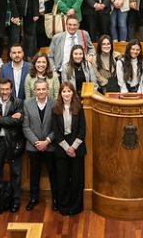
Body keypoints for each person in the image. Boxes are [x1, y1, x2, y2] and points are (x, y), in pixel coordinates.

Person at [0, 78, 24, 213]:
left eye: (7, 89)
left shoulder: (19, 102)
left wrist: (0, 119)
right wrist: (10, 119)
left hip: (14, 142)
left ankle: (15, 201)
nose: (4, 92)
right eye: (2, 89)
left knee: (15, 173)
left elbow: (18, 122)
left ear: (11, 89)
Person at [22, 78, 58, 211]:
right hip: (33, 146)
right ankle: (33, 198)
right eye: (38, 89)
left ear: (48, 90)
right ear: (34, 91)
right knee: (34, 173)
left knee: (53, 173)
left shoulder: (55, 104)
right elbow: (25, 127)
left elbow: (57, 127)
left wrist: (47, 141)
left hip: (50, 145)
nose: (41, 91)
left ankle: (56, 199)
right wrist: (37, 142)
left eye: (44, 89)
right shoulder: (27, 103)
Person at [51, 82, 86, 216]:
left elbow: (82, 130)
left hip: (77, 147)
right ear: (60, 94)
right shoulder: (55, 109)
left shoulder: (79, 107)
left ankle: (76, 206)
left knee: (77, 179)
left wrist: (73, 147)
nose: (66, 94)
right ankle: (64, 205)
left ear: (73, 93)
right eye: (64, 91)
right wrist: (67, 148)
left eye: (69, 91)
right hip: (61, 147)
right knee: (63, 178)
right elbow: (56, 131)